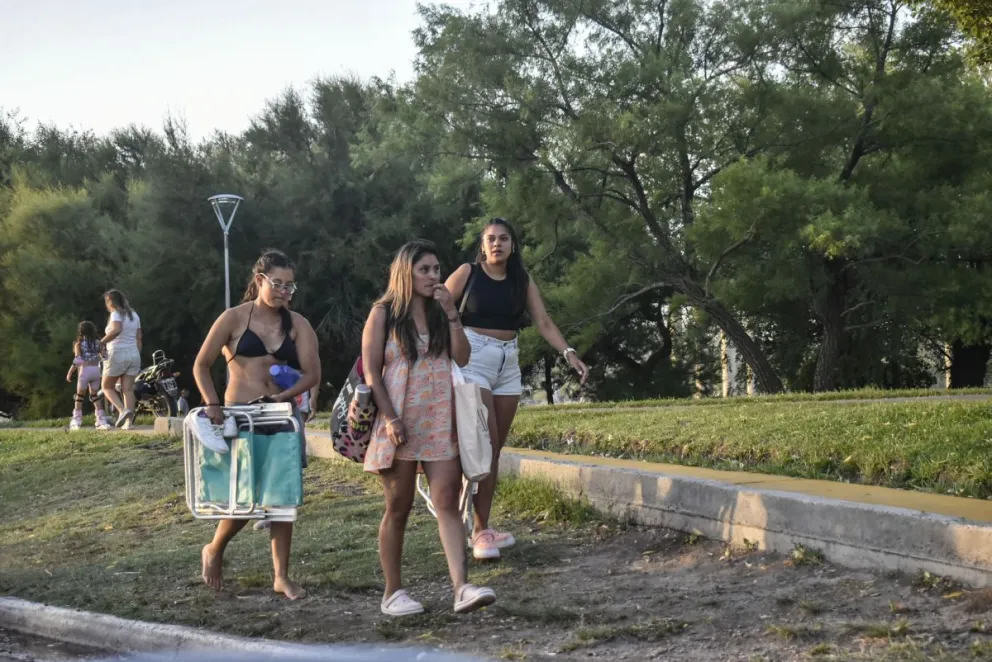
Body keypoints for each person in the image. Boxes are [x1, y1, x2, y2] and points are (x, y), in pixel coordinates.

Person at [362, 240, 496, 617]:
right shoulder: (384, 313)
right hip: (399, 421)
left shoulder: (441, 311)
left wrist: (453, 315)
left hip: (440, 417)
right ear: (406, 272)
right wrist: (390, 418)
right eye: (425, 269)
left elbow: (463, 356)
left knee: (448, 502)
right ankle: (393, 592)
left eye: (436, 269)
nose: (434, 276)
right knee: (398, 507)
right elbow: (372, 371)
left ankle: (461, 588)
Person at [445, 218, 589, 560]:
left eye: (504, 239)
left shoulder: (521, 280)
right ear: (482, 245)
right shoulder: (468, 272)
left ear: (512, 245)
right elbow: (438, 307)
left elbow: (543, 321)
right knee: (485, 441)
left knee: (493, 451)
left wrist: (568, 353)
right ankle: (474, 529)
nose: (497, 244)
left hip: (508, 364)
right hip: (472, 358)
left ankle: (481, 527)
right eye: (491, 239)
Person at [192, 249, 319, 601]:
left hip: (279, 415)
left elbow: (313, 374)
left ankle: (281, 576)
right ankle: (215, 548)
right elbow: (201, 365)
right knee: (244, 497)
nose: (284, 292)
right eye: (278, 283)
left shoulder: (298, 324)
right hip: (239, 415)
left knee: (282, 496)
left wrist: (287, 397)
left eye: (290, 286)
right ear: (259, 279)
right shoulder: (234, 318)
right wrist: (212, 403)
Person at [100, 290, 142, 430]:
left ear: (110, 301)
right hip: (134, 354)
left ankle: (122, 410)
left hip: (117, 353)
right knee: (128, 389)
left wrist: (101, 343)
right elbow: (139, 337)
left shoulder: (116, 314)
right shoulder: (134, 315)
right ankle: (128, 423)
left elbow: (117, 330)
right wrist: (137, 354)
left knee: (106, 387)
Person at [65, 321, 111, 431]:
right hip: (96, 370)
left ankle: (77, 420)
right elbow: (105, 357)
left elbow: (78, 360)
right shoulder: (98, 343)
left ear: (80, 332)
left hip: (84, 371)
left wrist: (70, 372)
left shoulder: (78, 344)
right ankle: (101, 420)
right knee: (94, 396)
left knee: (80, 396)